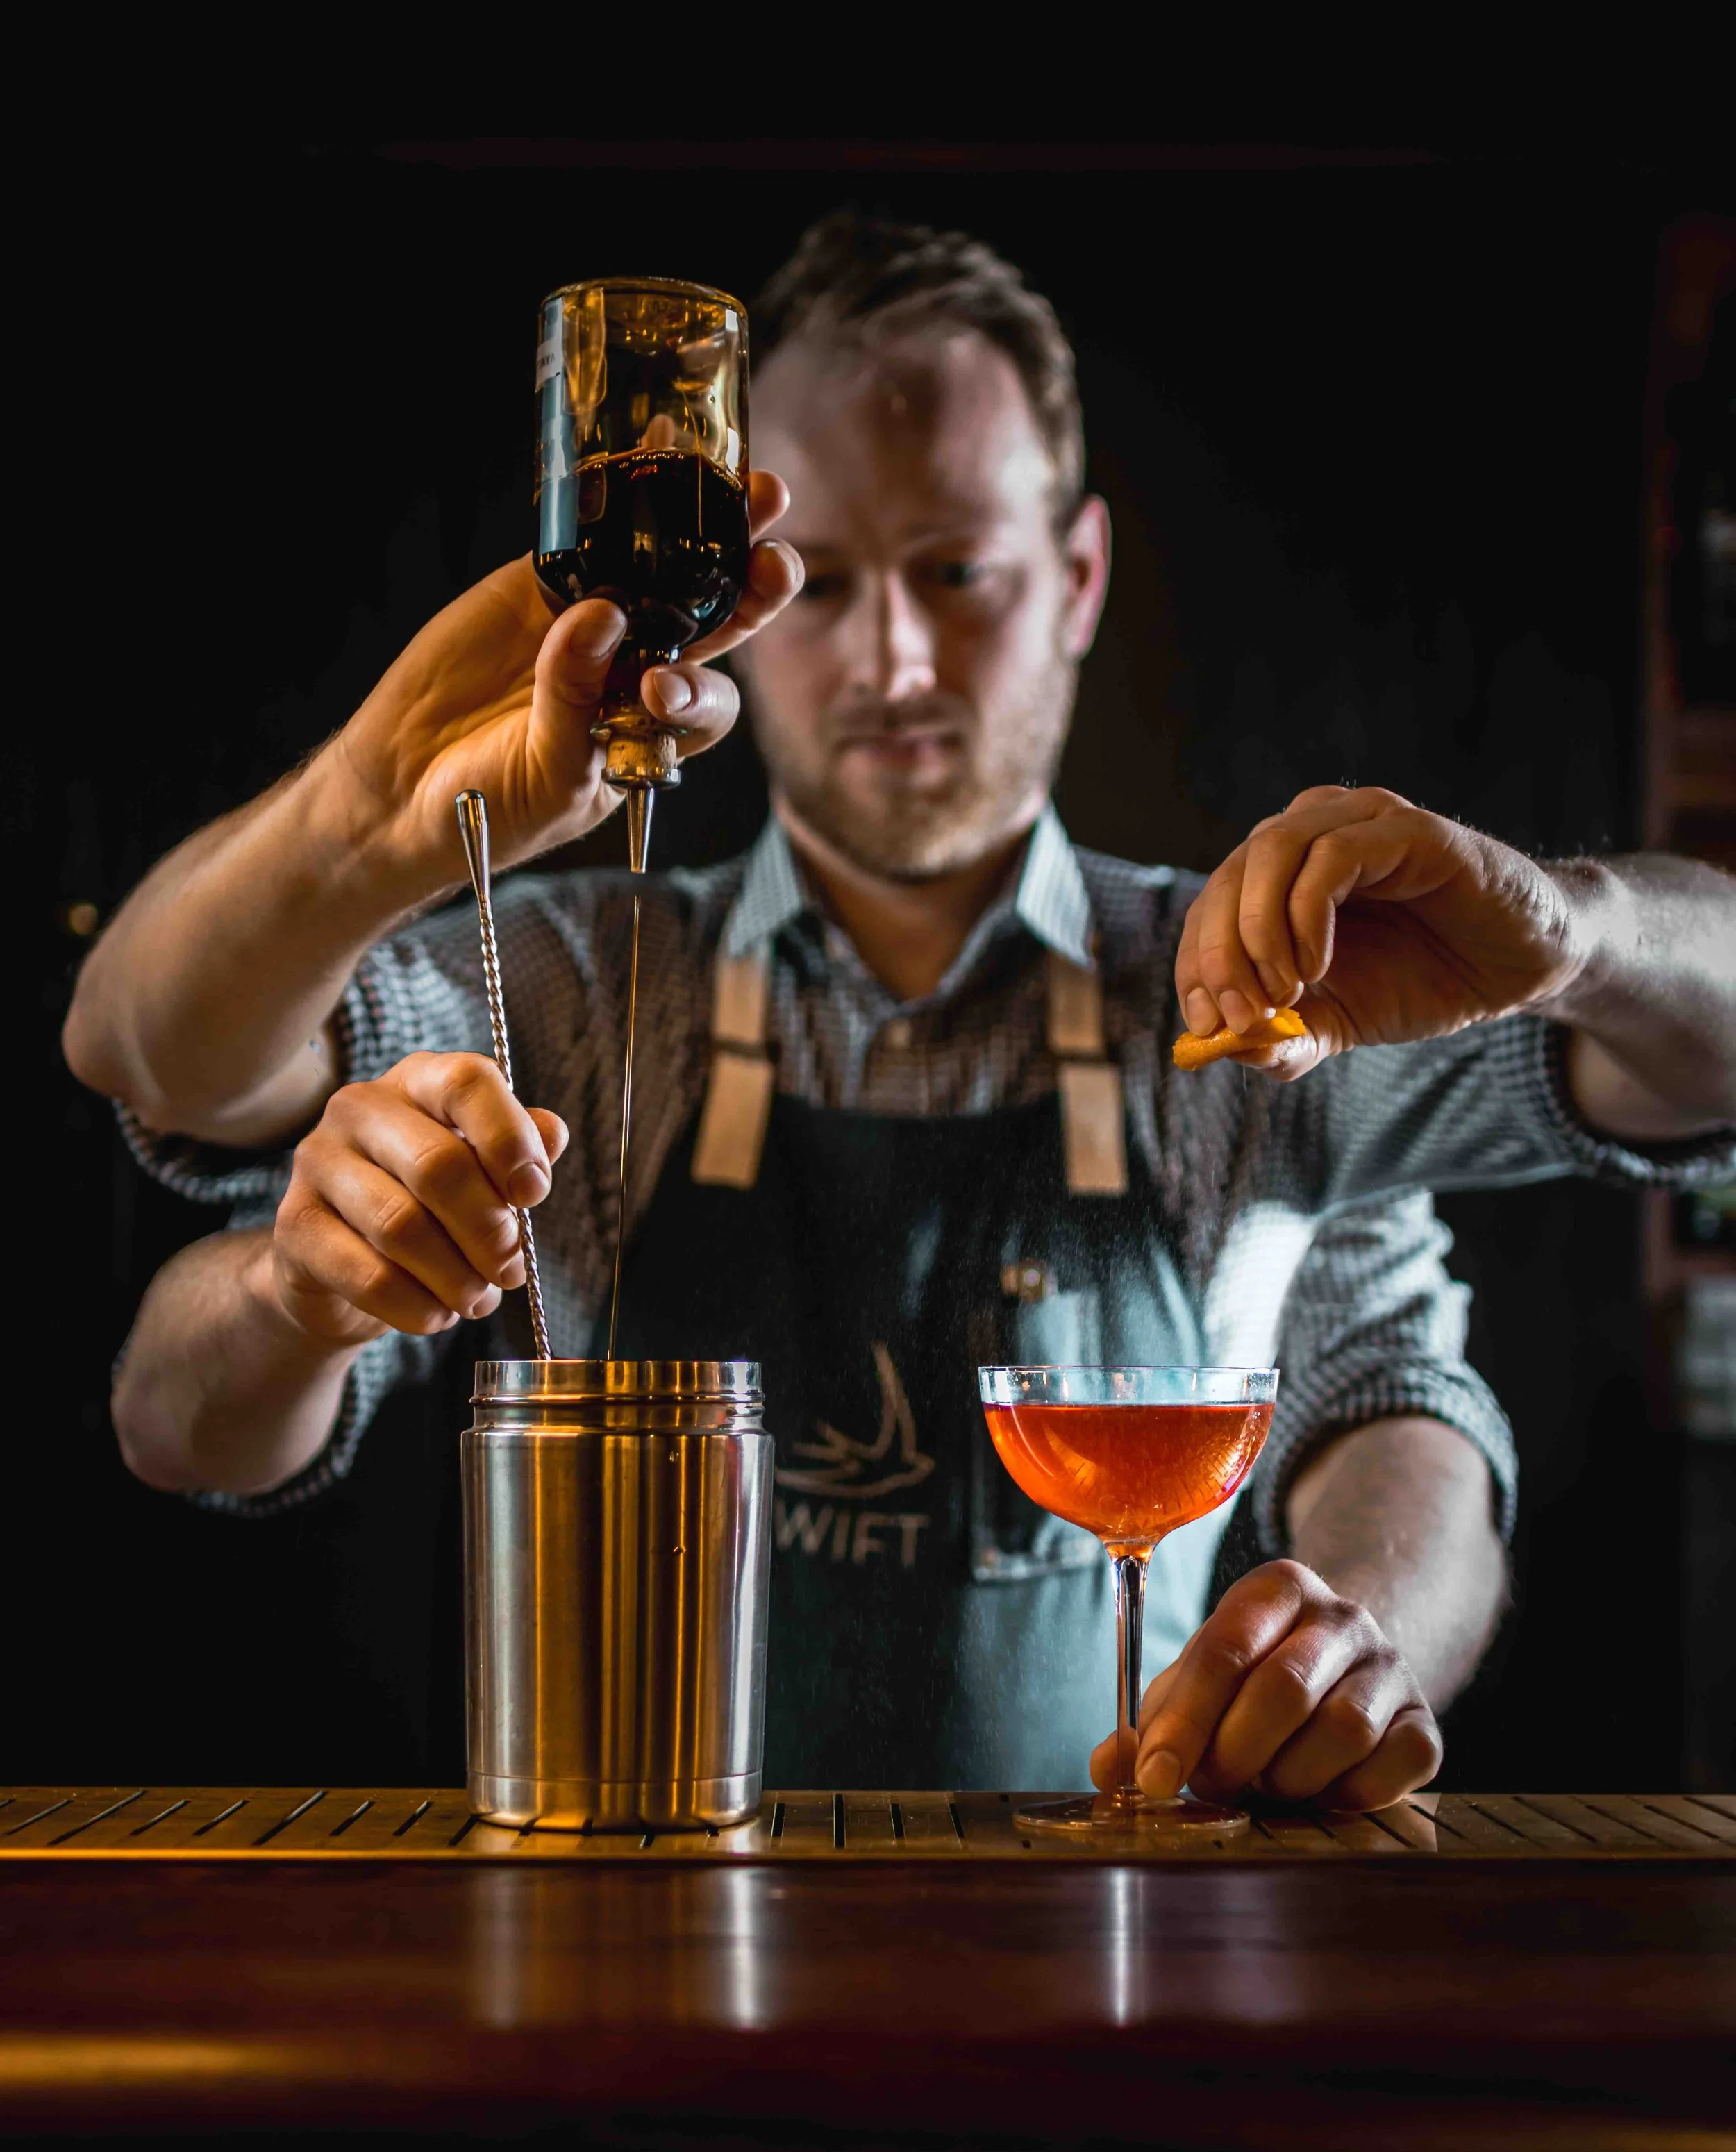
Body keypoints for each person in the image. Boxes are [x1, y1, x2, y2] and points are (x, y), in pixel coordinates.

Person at [67, 215, 1736, 1809]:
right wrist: (305, 1260)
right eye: (829, 581)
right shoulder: (573, 991)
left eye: (955, 570)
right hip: (623, 1965)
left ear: (1076, 577)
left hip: (1116, 1960)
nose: (895, 661)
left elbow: (1395, 1405)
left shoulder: (1261, 989)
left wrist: (1569, 928)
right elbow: (157, 1143)